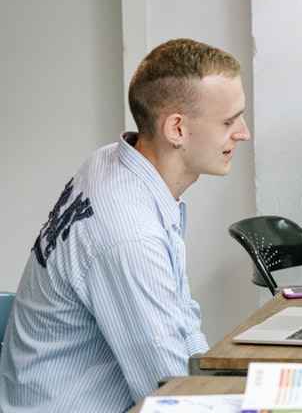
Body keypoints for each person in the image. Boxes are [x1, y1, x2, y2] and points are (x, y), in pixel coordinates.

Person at [0, 38, 251, 412]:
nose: (243, 132)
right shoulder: (129, 235)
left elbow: (180, 318)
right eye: (229, 121)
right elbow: (170, 397)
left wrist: (223, 386)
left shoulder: (114, 162)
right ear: (177, 129)